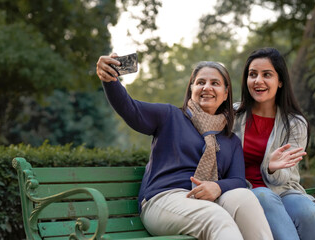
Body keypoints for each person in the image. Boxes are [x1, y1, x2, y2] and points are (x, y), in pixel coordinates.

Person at [96, 54, 273, 240]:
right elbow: (129, 109)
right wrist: (110, 80)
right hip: (163, 199)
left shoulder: (230, 140)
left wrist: (217, 187)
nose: (207, 87)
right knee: (216, 217)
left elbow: (238, 180)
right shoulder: (170, 116)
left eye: (215, 83)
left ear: (225, 93)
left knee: (245, 199)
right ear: (191, 88)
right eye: (200, 82)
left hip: (207, 201)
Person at [233, 47, 315, 240]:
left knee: (310, 214)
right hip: (246, 191)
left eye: (267, 74)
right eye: (252, 74)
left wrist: (272, 169)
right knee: (265, 198)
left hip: (283, 190)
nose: (258, 81)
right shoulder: (233, 116)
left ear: (280, 81)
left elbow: (285, 179)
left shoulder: (295, 123)